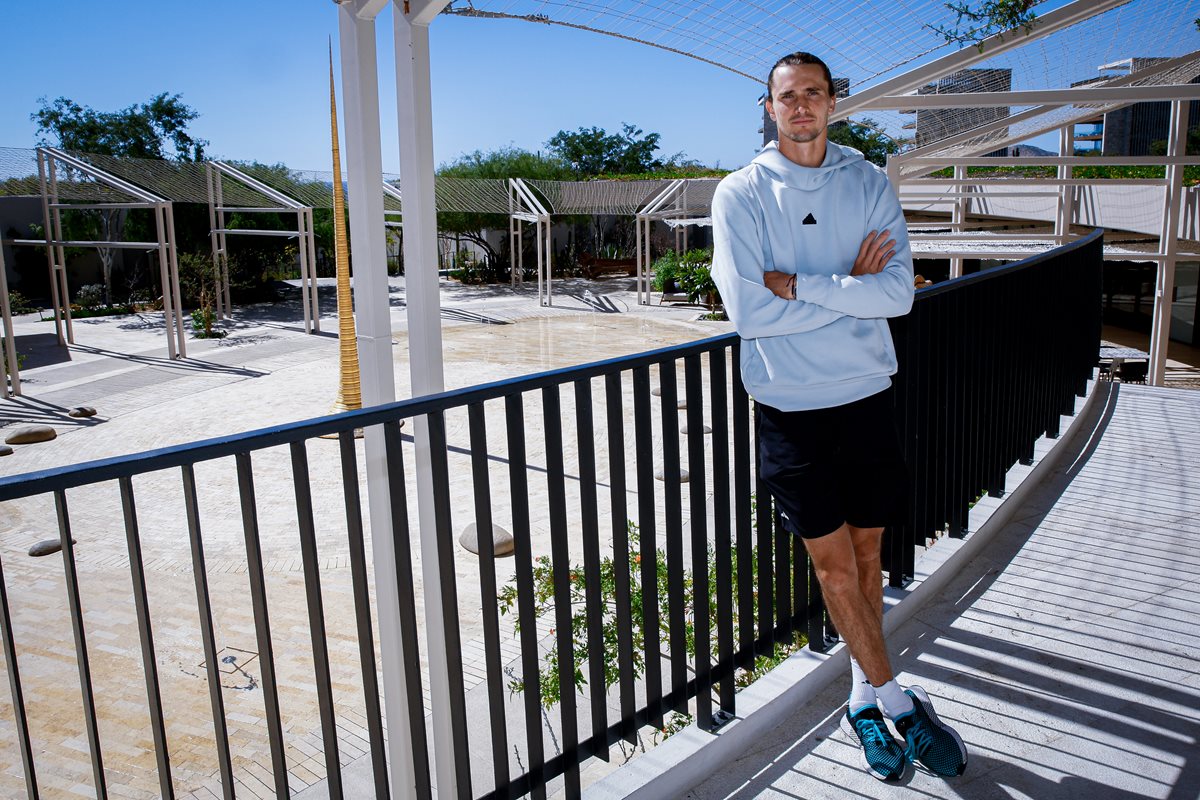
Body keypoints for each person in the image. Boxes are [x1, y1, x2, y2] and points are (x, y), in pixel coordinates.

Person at [710, 51, 968, 782]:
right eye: (787, 96)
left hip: (865, 400)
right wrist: (850, 287)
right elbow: (748, 312)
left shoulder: (867, 181)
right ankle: (901, 702)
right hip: (790, 408)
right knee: (832, 566)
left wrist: (803, 286)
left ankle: (862, 702)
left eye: (814, 94)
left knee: (866, 559)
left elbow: (898, 295)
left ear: (832, 103)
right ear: (769, 108)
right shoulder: (740, 193)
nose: (801, 107)